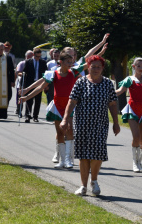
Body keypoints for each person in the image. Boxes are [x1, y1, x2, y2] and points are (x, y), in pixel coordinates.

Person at [20, 35, 108, 168]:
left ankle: (68, 159)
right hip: (57, 106)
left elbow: (89, 62)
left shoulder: (74, 71)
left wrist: (100, 52)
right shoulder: (53, 74)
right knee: (60, 132)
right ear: (61, 61)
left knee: (70, 131)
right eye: (68, 61)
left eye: (71, 61)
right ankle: (61, 160)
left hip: (70, 105)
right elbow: (40, 87)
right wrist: (26, 97)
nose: (71, 63)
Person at [61, 55, 120, 196]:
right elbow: (72, 102)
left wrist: (116, 123)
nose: (95, 69)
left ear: (102, 68)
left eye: (98, 67)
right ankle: (83, 186)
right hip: (82, 124)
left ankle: (94, 180)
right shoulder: (81, 82)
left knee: (98, 154)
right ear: (88, 67)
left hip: (100, 124)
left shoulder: (107, 84)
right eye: (93, 66)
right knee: (83, 155)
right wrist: (65, 119)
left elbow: (112, 104)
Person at [21, 48, 47, 123]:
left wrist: (46, 85)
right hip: (30, 83)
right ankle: (27, 115)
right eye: (37, 56)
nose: (38, 58)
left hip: (39, 83)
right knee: (29, 100)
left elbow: (45, 74)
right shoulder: (28, 62)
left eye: (39, 56)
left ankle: (35, 116)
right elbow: (24, 73)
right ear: (33, 55)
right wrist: (22, 85)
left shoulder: (43, 62)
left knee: (38, 101)